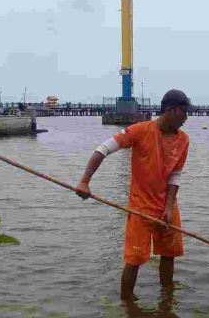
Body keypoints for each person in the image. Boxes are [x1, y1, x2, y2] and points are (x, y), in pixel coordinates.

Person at [75, 89, 194, 300]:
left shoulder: (183, 140)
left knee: (169, 255)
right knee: (134, 259)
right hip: (141, 206)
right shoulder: (140, 131)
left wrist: (167, 208)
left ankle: (167, 301)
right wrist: (85, 181)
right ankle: (127, 305)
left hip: (167, 205)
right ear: (170, 110)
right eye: (184, 112)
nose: (187, 117)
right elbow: (103, 149)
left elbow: (175, 176)